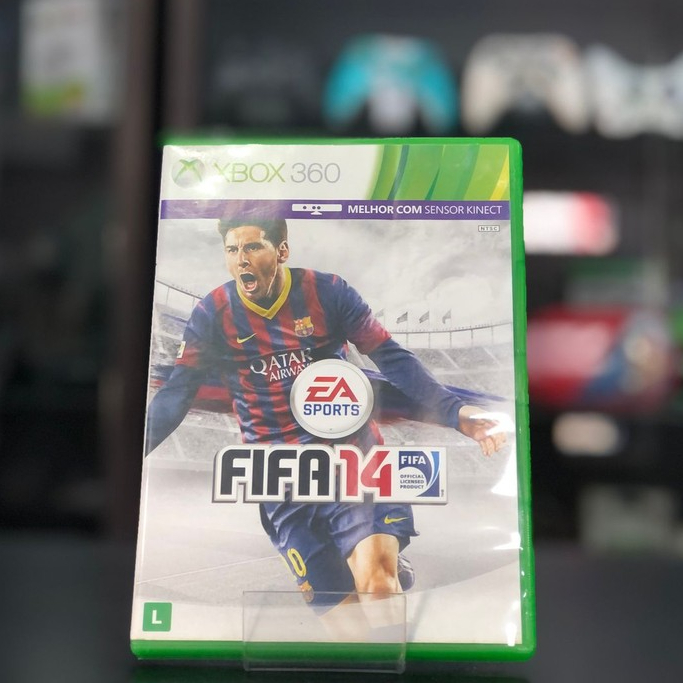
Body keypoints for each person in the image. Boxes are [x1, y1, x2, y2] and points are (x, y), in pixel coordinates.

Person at [145, 212, 506, 630]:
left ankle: (383, 566)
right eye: (232, 250)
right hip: (280, 480)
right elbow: (178, 392)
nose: (241, 258)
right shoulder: (213, 312)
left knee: (377, 586)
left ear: (282, 250)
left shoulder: (327, 291)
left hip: (351, 462)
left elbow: (390, 357)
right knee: (347, 628)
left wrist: (454, 411)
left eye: (253, 246)